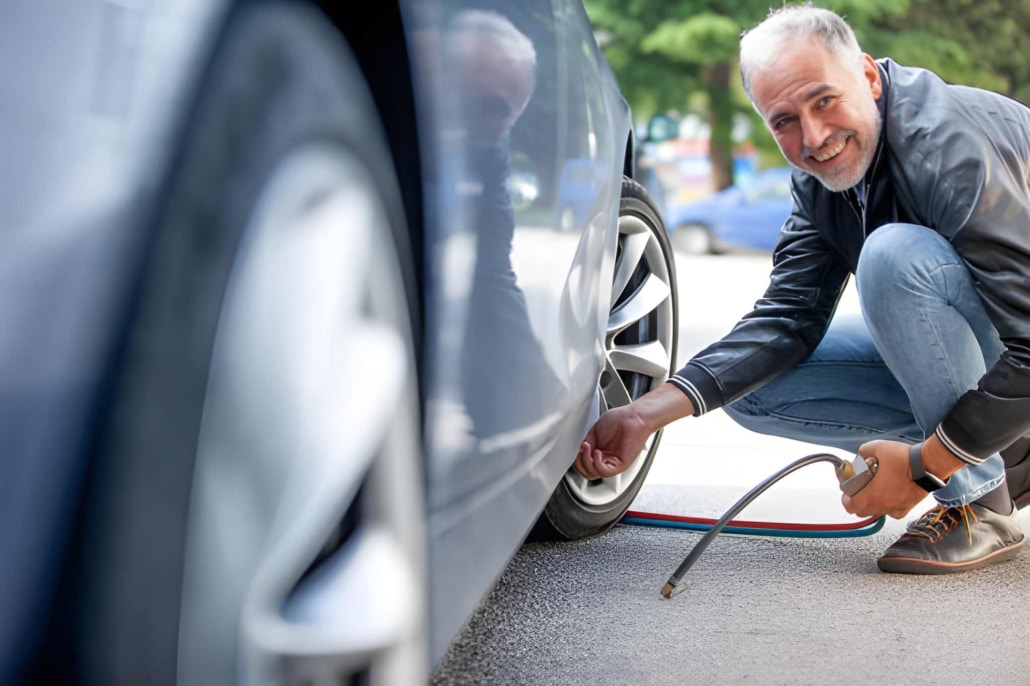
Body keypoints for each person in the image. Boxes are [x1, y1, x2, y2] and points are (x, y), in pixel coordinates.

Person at [575, 3, 1030, 574]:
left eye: (824, 100)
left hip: (1019, 357)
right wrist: (644, 414)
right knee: (751, 388)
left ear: (868, 76)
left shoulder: (947, 146)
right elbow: (788, 318)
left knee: (892, 257)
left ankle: (979, 504)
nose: (813, 137)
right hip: (1005, 384)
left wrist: (925, 467)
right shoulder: (821, 182)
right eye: (784, 121)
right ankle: (990, 454)